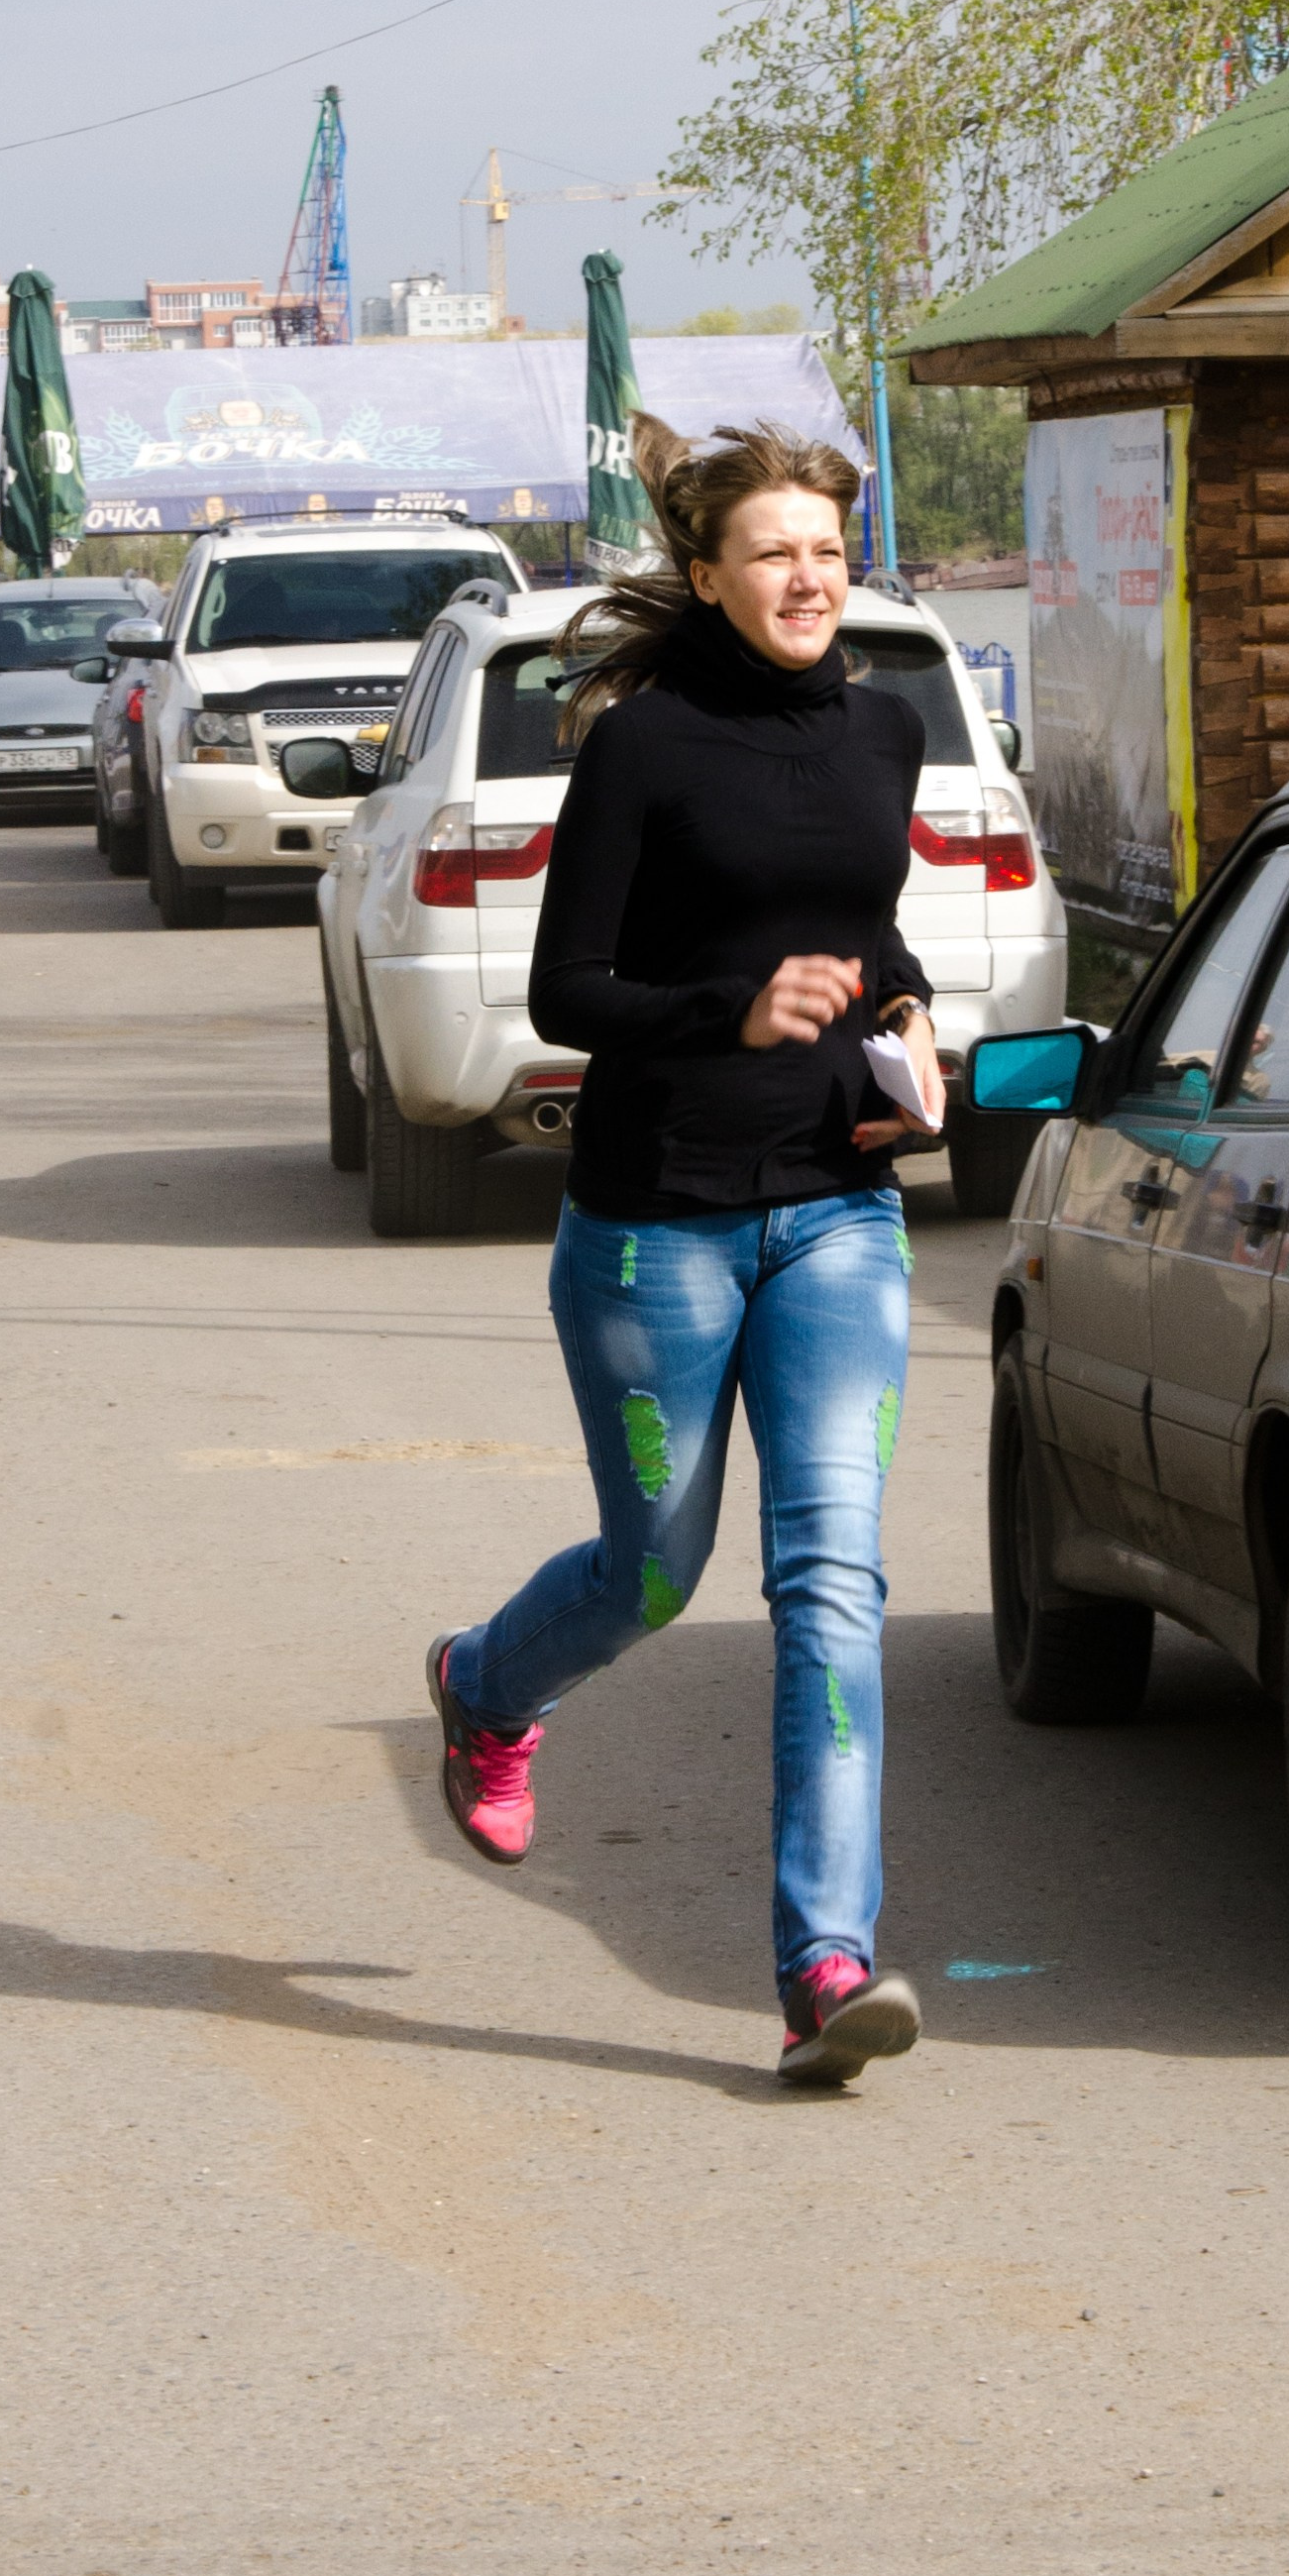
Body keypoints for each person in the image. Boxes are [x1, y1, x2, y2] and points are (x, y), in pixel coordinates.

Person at [425, 419, 945, 2088]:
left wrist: (912, 1013)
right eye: (773, 552)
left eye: (826, 549)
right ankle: (489, 1687)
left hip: (841, 1217)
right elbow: (566, 995)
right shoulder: (642, 750)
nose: (806, 577)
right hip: (657, 1225)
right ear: (710, 574)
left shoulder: (889, 729)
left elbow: (864, 925)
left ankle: (824, 1965)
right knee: (654, 1571)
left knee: (832, 1587)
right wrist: (727, 1010)